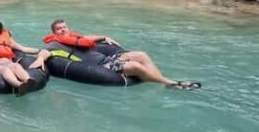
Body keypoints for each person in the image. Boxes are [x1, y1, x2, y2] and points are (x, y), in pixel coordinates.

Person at [30, 19, 201, 90]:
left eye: (65, 27)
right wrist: (39, 59)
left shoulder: (75, 37)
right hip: (101, 67)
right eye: (59, 29)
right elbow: (46, 52)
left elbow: (90, 38)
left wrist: (105, 37)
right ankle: (169, 83)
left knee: (141, 55)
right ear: (54, 32)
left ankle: (159, 79)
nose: (63, 30)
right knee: (134, 66)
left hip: (108, 58)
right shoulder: (55, 43)